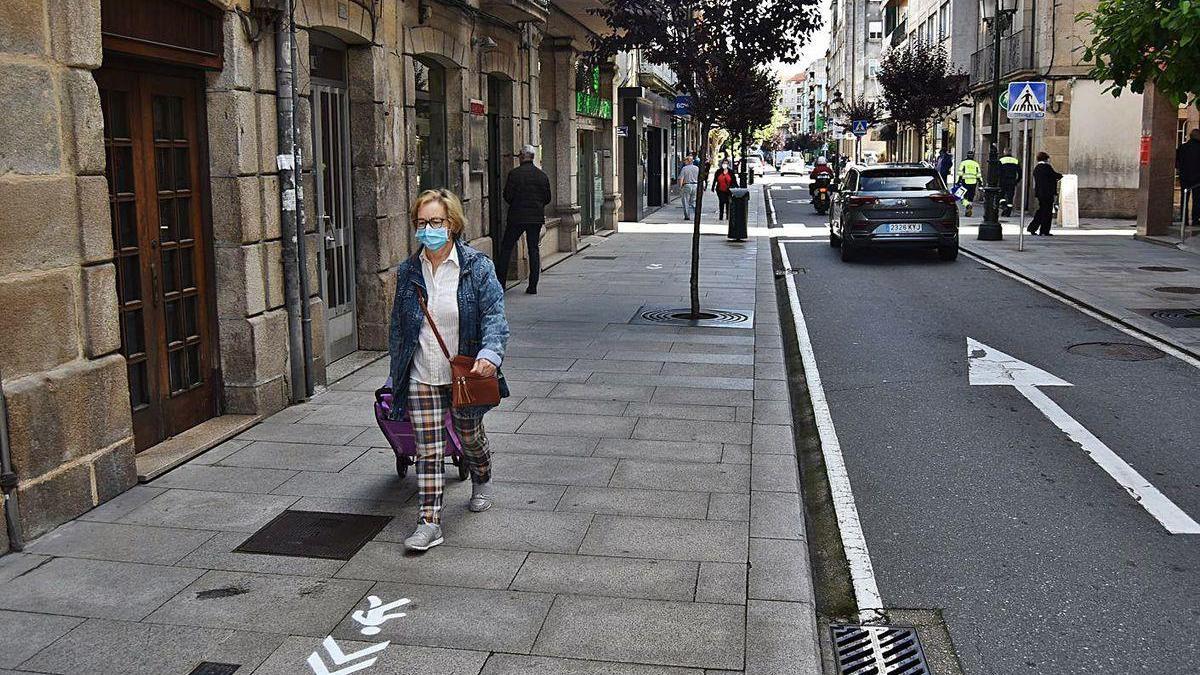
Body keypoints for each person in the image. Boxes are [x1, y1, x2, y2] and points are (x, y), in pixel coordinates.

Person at [388, 188, 510, 552]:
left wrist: (490, 352)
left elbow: (494, 316)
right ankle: (429, 522)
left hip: (464, 374)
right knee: (428, 450)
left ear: (453, 224)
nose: (428, 229)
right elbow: (399, 326)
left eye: (436, 222)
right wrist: (397, 371)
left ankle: (482, 476)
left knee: (469, 436)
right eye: (422, 222)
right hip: (422, 373)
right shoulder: (409, 271)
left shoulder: (477, 267)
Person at [497, 145, 551, 294]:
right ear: (533, 157)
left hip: (517, 217)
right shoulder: (542, 176)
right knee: (533, 249)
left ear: (521, 156)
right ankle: (533, 286)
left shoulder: (514, 174)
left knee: (506, 248)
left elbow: (507, 195)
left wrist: (517, 203)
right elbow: (547, 198)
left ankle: (501, 283)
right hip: (535, 218)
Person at [1029, 151, 1063, 236]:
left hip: (1040, 193)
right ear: (1046, 159)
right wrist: (1061, 176)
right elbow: (1054, 175)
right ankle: (1044, 230)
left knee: (1041, 210)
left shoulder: (1037, 168)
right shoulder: (1047, 167)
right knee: (1047, 212)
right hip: (1048, 193)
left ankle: (1032, 227)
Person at [1177, 128, 1200, 229]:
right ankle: (1195, 219)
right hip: (1197, 178)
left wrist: (1181, 170)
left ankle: (1184, 219)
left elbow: (1176, 162)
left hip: (1184, 177)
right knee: (1197, 199)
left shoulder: (1182, 147)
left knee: (1184, 198)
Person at [958, 150, 982, 216]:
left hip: (965, 182)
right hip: (973, 183)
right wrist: (980, 182)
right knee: (971, 197)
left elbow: (960, 173)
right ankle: (969, 207)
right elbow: (979, 174)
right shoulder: (976, 164)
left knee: (963, 197)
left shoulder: (963, 163)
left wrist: (957, 182)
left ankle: (967, 205)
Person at [998, 148, 1021, 217]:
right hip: (1012, 181)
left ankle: (1004, 205)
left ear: (1004, 152)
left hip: (1003, 181)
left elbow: (997, 171)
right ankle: (1008, 212)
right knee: (1010, 196)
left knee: (1001, 195)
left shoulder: (1001, 160)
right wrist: (1017, 181)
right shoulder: (1015, 160)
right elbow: (1020, 172)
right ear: (1010, 152)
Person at [678, 154, 700, 220]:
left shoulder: (684, 168)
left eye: (685, 161)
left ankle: (687, 216)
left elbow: (681, 178)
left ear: (688, 161)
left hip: (687, 185)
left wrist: (680, 187)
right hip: (695, 185)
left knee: (685, 201)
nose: (684, 162)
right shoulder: (697, 168)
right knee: (693, 201)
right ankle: (697, 214)